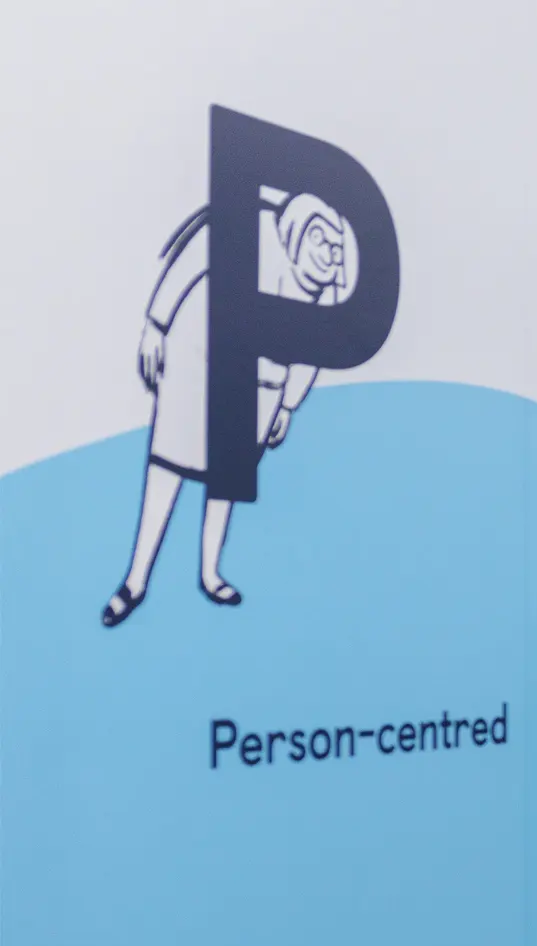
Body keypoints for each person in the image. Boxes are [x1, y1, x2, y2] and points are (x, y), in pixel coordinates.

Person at [102, 190, 351, 628]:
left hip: (260, 389)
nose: (327, 253)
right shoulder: (253, 230)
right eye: (320, 238)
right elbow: (195, 254)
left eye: (336, 248)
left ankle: (210, 573)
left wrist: (288, 404)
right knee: (168, 467)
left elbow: (312, 350)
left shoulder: (322, 295)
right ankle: (135, 581)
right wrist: (157, 324)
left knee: (227, 481)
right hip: (197, 362)